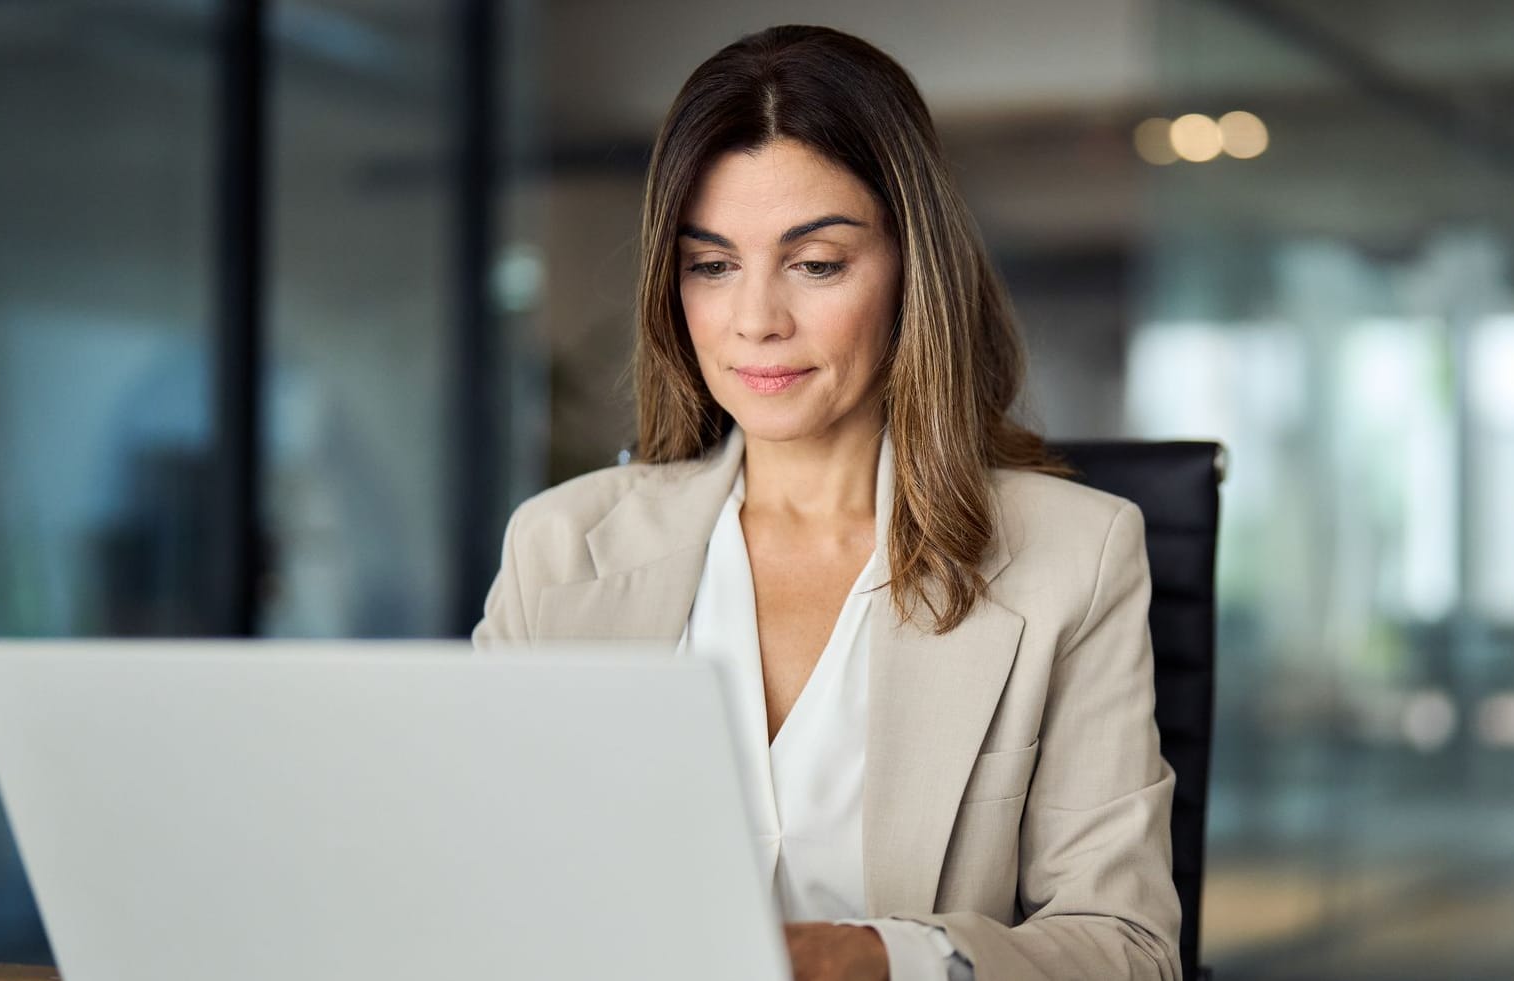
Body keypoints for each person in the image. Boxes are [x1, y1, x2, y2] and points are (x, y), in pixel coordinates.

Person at [472, 24, 1181, 981]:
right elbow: (478, 892)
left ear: (909, 272)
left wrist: (876, 958)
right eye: (711, 265)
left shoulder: (1074, 557)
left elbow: (1124, 947)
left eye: (816, 263)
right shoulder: (559, 550)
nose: (756, 318)